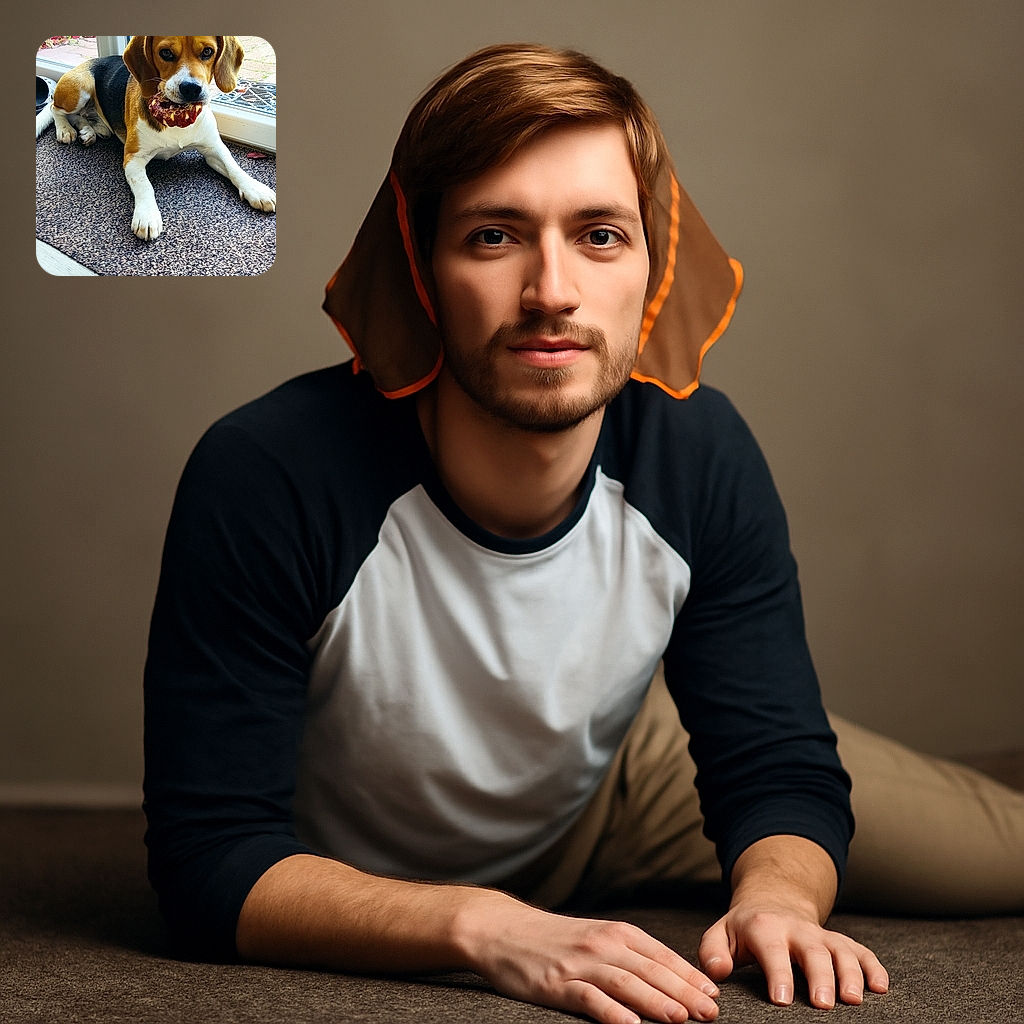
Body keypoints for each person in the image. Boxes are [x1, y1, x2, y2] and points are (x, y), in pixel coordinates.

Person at [143, 43, 1024, 1024]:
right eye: (492, 236)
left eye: (599, 235)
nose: (551, 290)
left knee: (1004, 851)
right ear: (423, 271)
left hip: (610, 785)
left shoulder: (699, 453)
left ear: (652, 265)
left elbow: (774, 765)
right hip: (350, 858)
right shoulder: (270, 472)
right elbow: (211, 859)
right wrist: (487, 926)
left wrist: (775, 899)